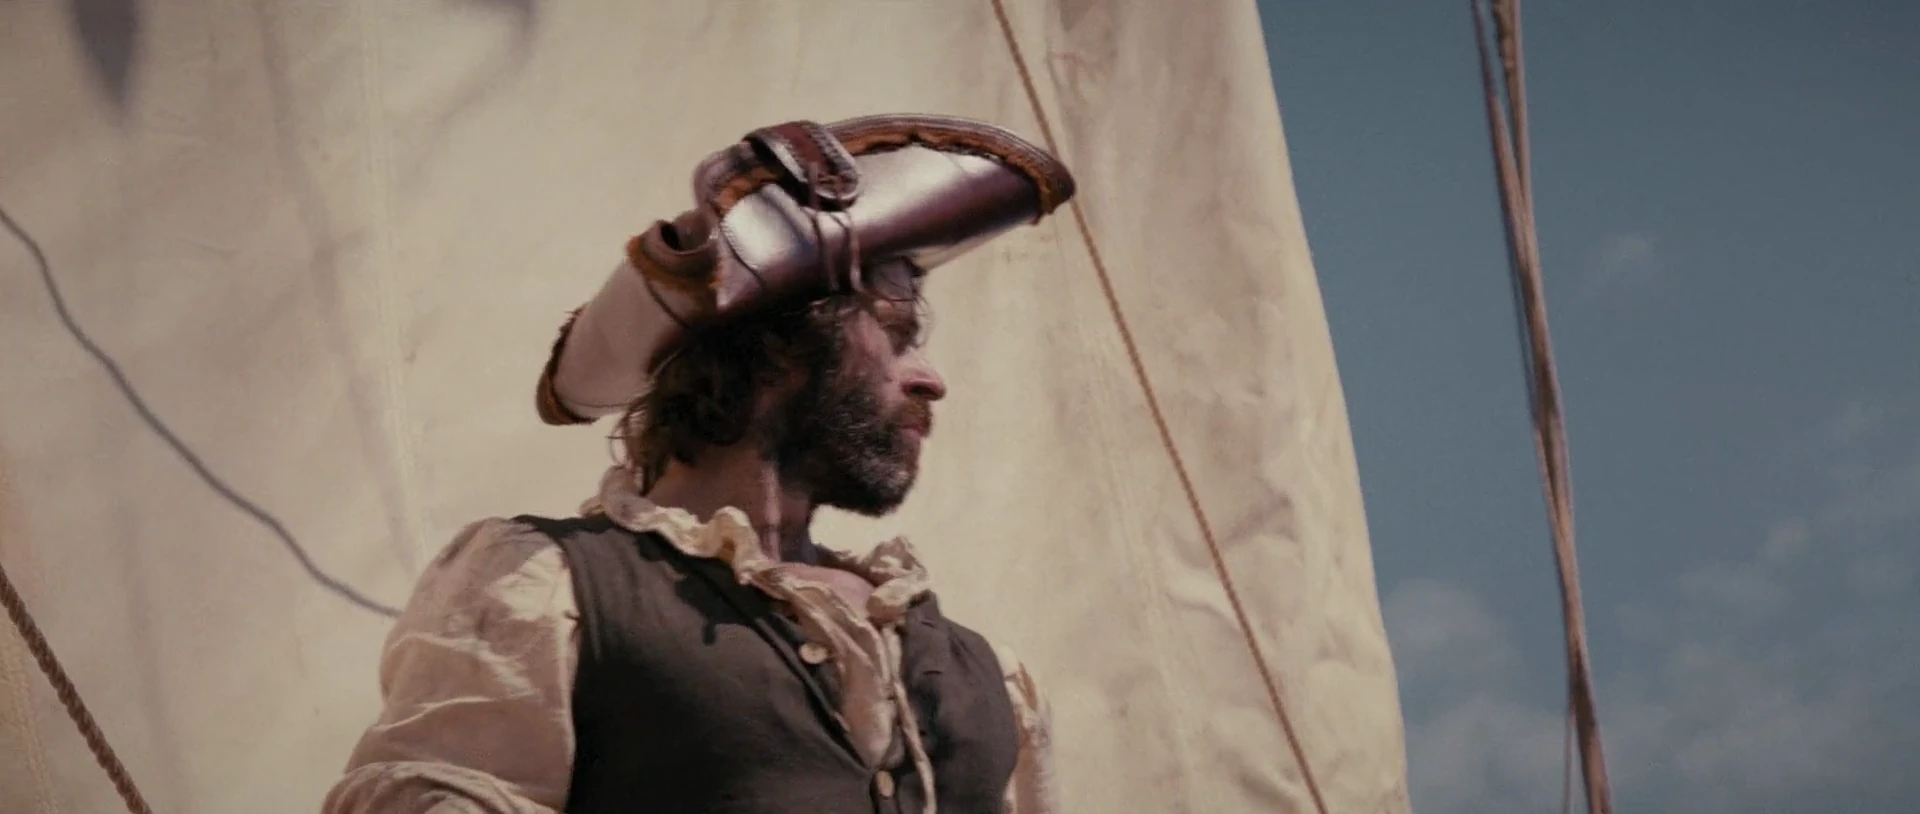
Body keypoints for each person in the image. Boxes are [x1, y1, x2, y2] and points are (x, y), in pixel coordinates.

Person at [321, 114, 1078, 813]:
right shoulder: (551, 590)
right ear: (781, 347)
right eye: (897, 334)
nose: (931, 379)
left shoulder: (985, 674)